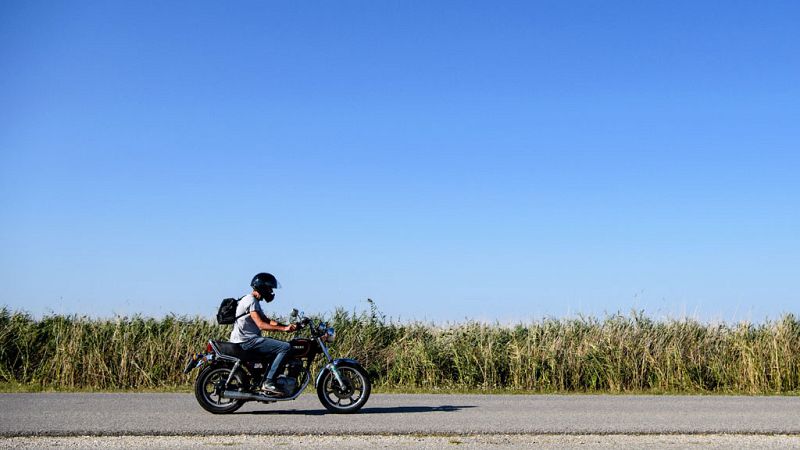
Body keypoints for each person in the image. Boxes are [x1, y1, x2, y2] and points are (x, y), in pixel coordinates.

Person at [229, 272, 297, 395]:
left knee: (277, 346)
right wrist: (283, 329)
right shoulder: (251, 301)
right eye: (269, 288)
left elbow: (266, 320)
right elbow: (261, 324)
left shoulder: (252, 300)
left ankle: (268, 377)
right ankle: (269, 382)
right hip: (247, 341)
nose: (271, 291)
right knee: (285, 347)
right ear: (262, 287)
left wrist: (286, 326)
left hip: (246, 340)